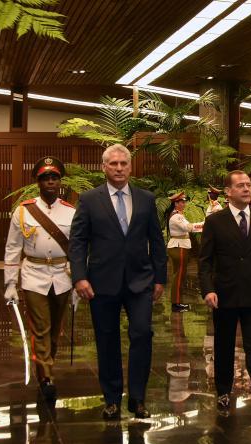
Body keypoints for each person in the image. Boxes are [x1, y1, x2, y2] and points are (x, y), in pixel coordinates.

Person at [69, 144, 167, 420]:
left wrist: (160, 277)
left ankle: (138, 398)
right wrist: (79, 276)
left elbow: (156, 240)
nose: (119, 168)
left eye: (124, 163)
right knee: (106, 338)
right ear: (104, 167)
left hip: (140, 281)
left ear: (130, 167)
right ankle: (111, 399)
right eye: (113, 164)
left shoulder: (146, 199)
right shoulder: (89, 199)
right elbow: (78, 241)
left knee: (142, 334)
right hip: (102, 282)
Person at [198, 170, 251, 416]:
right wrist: (208, 290)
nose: (246, 189)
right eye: (240, 185)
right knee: (224, 345)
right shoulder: (215, 221)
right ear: (228, 192)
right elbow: (205, 261)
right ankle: (223, 391)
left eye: (249, 185)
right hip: (225, 294)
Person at [4, 156, 75, 401]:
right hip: (34, 274)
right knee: (41, 327)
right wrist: (10, 283)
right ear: (38, 182)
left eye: (54, 177)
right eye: (45, 178)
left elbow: (77, 248)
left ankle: (47, 365)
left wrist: (78, 279)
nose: (50, 182)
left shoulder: (71, 211)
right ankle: (46, 377)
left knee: (55, 329)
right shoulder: (23, 211)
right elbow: (13, 247)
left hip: (62, 275)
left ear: (60, 181)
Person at [165, 192, 203, 312]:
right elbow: (188, 227)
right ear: (176, 204)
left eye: (184, 202)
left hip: (180, 246)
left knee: (179, 275)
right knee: (179, 275)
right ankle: (176, 304)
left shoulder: (178, 215)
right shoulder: (177, 216)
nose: (184, 204)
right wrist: (205, 224)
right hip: (179, 247)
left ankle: (177, 302)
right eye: (181, 202)